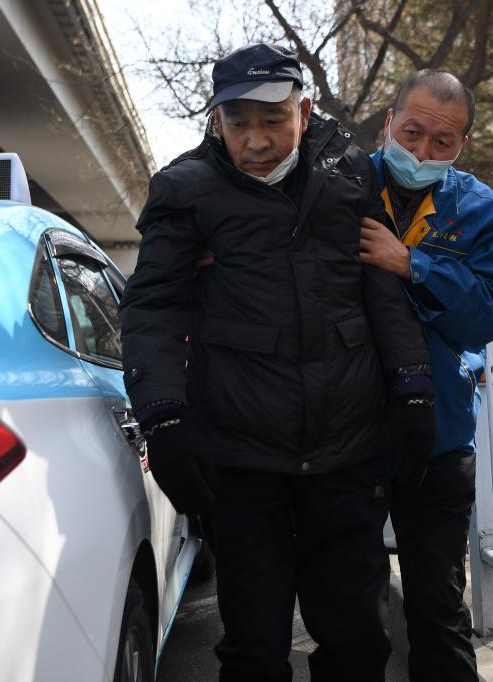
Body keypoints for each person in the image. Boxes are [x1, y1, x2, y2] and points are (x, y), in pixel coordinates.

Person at [119, 44, 435, 682]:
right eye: (237, 123)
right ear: (217, 120)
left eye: (272, 120)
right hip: (242, 457)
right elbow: (153, 307)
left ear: (304, 111)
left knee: (357, 641)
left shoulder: (350, 172)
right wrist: (164, 416)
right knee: (254, 646)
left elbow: (379, 287)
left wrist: (413, 384)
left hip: (346, 446)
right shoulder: (186, 189)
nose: (255, 141)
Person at [359, 69, 493, 682]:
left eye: (442, 141)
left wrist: (413, 264)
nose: (422, 151)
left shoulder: (485, 213)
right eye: (412, 132)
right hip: (346, 431)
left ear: (462, 145)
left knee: (437, 607)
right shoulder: (340, 187)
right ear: (389, 122)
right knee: (350, 608)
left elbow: (490, 315)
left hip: (440, 434)